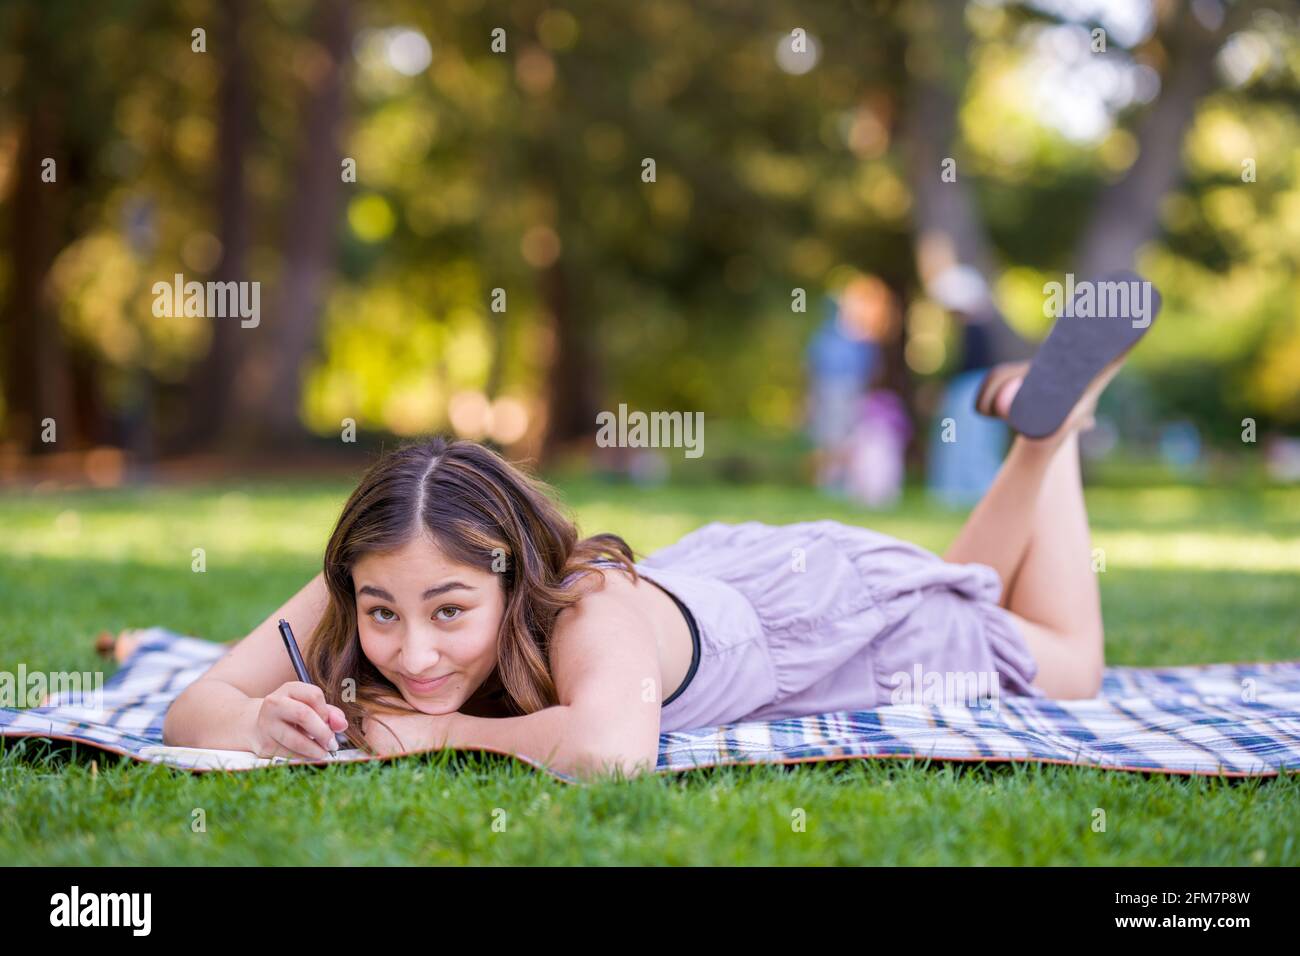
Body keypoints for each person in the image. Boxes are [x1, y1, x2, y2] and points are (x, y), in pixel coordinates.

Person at [161, 304, 1152, 781]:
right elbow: (191, 705)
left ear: (513, 578)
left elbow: (608, 750)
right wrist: (254, 726)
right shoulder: (383, 573)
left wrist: (430, 729)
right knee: (961, 580)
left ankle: (1052, 434)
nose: (410, 652)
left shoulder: (587, 610)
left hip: (832, 626)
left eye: (451, 611)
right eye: (381, 612)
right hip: (734, 583)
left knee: (1066, 664)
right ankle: (1039, 426)